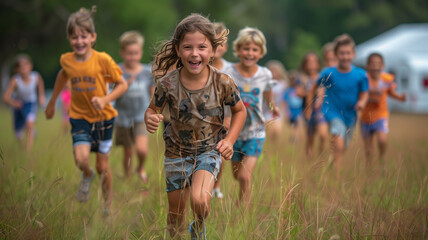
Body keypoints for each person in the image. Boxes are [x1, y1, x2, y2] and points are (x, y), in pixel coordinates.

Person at [145, 14, 246, 239]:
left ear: (212, 50)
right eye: (188, 47)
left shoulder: (223, 82)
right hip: (176, 154)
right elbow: (152, 109)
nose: (194, 53)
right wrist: (150, 118)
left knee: (200, 200)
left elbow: (240, 111)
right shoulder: (167, 83)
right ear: (178, 49)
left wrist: (229, 140)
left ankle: (199, 227)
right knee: (174, 216)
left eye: (202, 47)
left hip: (208, 152)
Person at [44, 6, 128, 216]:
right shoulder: (67, 60)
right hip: (79, 116)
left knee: (102, 166)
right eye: (74, 37)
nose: (79, 41)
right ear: (69, 39)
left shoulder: (103, 60)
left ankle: (108, 206)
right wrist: (52, 101)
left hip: (104, 119)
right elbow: (63, 77)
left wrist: (105, 99)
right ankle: (87, 175)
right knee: (81, 159)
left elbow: (122, 84)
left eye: (83, 36)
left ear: (93, 37)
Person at [224, 27, 280, 207]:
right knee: (235, 175)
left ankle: (243, 208)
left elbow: (268, 94)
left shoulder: (265, 74)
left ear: (261, 52)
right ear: (238, 49)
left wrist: (273, 107)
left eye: (254, 49)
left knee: (244, 175)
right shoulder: (228, 72)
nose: (250, 53)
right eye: (246, 49)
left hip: (256, 131)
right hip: (233, 132)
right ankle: (242, 197)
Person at [308, 34, 368, 178]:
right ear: (336, 54)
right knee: (339, 145)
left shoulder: (361, 75)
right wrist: (310, 106)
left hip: (351, 115)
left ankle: (332, 163)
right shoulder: (328, 73)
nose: (345, 56)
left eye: (348, 53)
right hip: (332, 112)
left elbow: (364, 93)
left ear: (353, 54)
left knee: (343, 147)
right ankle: (336, 178)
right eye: (341, 53)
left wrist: (361, 103)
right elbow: (314, 87)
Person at [114, 31, 154, 183]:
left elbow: (153, 91)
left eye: (136, 53)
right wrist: (124, 86)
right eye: (129, 53)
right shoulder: (117, 71)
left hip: (141, 116)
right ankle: (128, 177)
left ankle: (141, 167)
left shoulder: (147, 72)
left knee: (142, 149)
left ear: (141, 52)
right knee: (128, 151)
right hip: (123, 118)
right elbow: (112, 94)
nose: (133, 57)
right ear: (122, 53)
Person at [360, 53, 406, 164]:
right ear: (367, 66)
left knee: (382, 139)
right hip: (365, 117)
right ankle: (369, 166)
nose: (375, 67)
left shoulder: (386, 79)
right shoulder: (364, 79)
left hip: (381, 114)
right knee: (368, 148)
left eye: (378, 64)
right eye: (372, 64)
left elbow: (391, 92)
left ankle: (382, 158)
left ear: (383, 66)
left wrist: (400, 98)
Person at [3, 54, 45, 151]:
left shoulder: (35, 76)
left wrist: (41, 96)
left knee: (30, 125)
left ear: (30, 66)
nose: (24, 69)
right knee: (18, 133)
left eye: (26, 66)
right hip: (18, 105)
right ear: (17, 69)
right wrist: (13, 103)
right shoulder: (15, 80)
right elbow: (5, 97)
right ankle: (22, 147)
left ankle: (28, 151)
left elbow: (40, 84)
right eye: (20, 67)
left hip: (30, 103)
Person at [210, 22, 232, 199]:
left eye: (221, 44)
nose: (218, 47)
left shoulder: (230, 69)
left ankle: (215, 186)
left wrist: (228, 117)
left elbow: (234, 97)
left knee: (221, 151)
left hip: (225, 116)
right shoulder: (197, 64)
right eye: (214, 42)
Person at [299, 52, 328, 156]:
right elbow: (298, 92)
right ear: (304, 64)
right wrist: (312, 92)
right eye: (309, 62)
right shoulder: (302, 78)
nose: (311, 64)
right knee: (310, 136)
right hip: (307, 110)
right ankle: (309, 156)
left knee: (323, 134)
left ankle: (321, 155)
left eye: (314, 62)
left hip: (321, 110)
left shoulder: (322, 77)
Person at [265, 60, 288, 141]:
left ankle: (275, 147)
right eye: (271, 71)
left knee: (277, 131)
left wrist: (285, 113)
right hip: (267, 111)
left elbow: (285, 100)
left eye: (275, 71)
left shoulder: (283, 84)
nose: (273, 73)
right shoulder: (266, 84)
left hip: (279, 111)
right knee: (269, 131)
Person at [283, 70, 303, 143]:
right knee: (292, 127)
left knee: (297, 126)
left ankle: (296, 139)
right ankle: (293, 139)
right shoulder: (288, 91)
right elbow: (285, 102)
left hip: (299, 112)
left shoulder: (300, 90)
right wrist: (286, 112)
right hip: (291, 112)